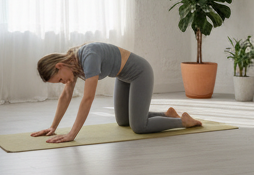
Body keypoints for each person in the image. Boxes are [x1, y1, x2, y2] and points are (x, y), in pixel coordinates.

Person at [31, 42, 201, 143]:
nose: (63, 83)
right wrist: (53, 127)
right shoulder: (72, 65)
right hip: (123, 77)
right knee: (123, 121)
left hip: (140, 73)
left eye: (60, 80)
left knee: (139, 126)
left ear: (59, 66)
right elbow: (66, 95)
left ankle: (183, 121)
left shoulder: (88, 57)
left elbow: (88, 98)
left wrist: (72, 134)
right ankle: (167, 114)